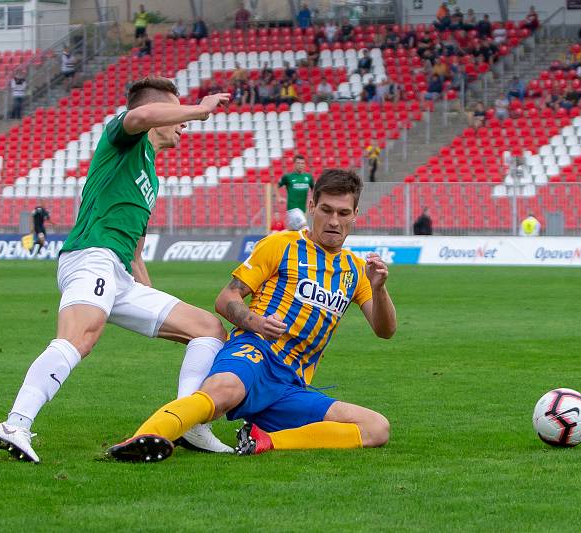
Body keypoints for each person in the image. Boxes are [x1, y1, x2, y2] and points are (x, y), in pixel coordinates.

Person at [0, 78, 233, 463]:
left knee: (209, 329)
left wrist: (148, 291)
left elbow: (135, 244)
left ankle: (187, 420)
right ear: (157, 116)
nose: (183, 122)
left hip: (121, 274)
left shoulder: (151, 175)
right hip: (91, 256)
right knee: (81, 337)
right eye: (176, 111)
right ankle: (15, 423)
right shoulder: (125, 139)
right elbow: (142, 114)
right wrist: (201, 109)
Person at [106, 169, 396, 462]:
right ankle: (144, 437)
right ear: (312, 206)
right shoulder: (280, 245)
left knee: (376, 428)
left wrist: (379, 289)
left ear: (355, 214)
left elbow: (385, 330)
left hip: (290, 384)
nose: (334, 221)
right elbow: (226, 298)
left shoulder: (357, 270)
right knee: (224, 390)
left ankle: (264, 441)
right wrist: (257, 323)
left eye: (343, 212)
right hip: (255, 351)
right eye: (326, 210)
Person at [277, 154, 314, 231]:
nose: (300, 165)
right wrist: (279, 197)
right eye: (298, 163)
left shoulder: (308, 177)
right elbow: (277, 185)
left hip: (302, 210)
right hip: (292, 209)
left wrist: (313, 199)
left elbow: (314, 189)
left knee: (293, 231)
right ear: (294, 164)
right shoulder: (288, 177)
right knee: (305, 229)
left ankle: (275, 238)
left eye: (302, 163)